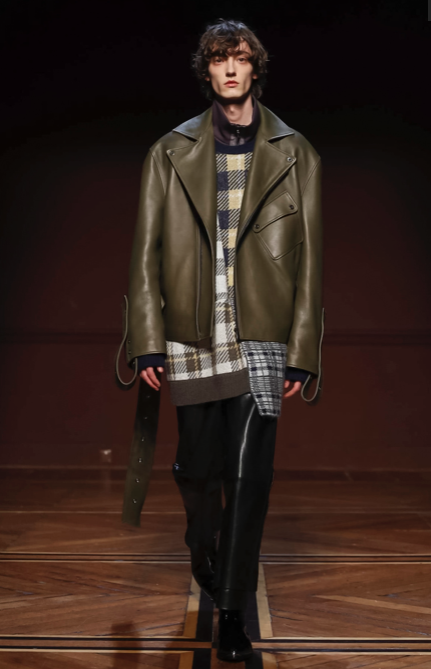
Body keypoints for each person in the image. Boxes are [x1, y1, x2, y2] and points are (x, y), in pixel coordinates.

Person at [118, 19, 324, 663]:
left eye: (239, 58)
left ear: (255, 68)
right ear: (205, 70)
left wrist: (302, 352)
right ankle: (201, 547)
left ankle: (232, 612)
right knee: (199, 472)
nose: (230, 69)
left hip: (262, 337)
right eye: (218, 59)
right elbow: (145, 253)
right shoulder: (169, 152)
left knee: (248, 475)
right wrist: (147, 341)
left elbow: (312, 262)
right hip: (191, 336)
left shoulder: (297, 154)